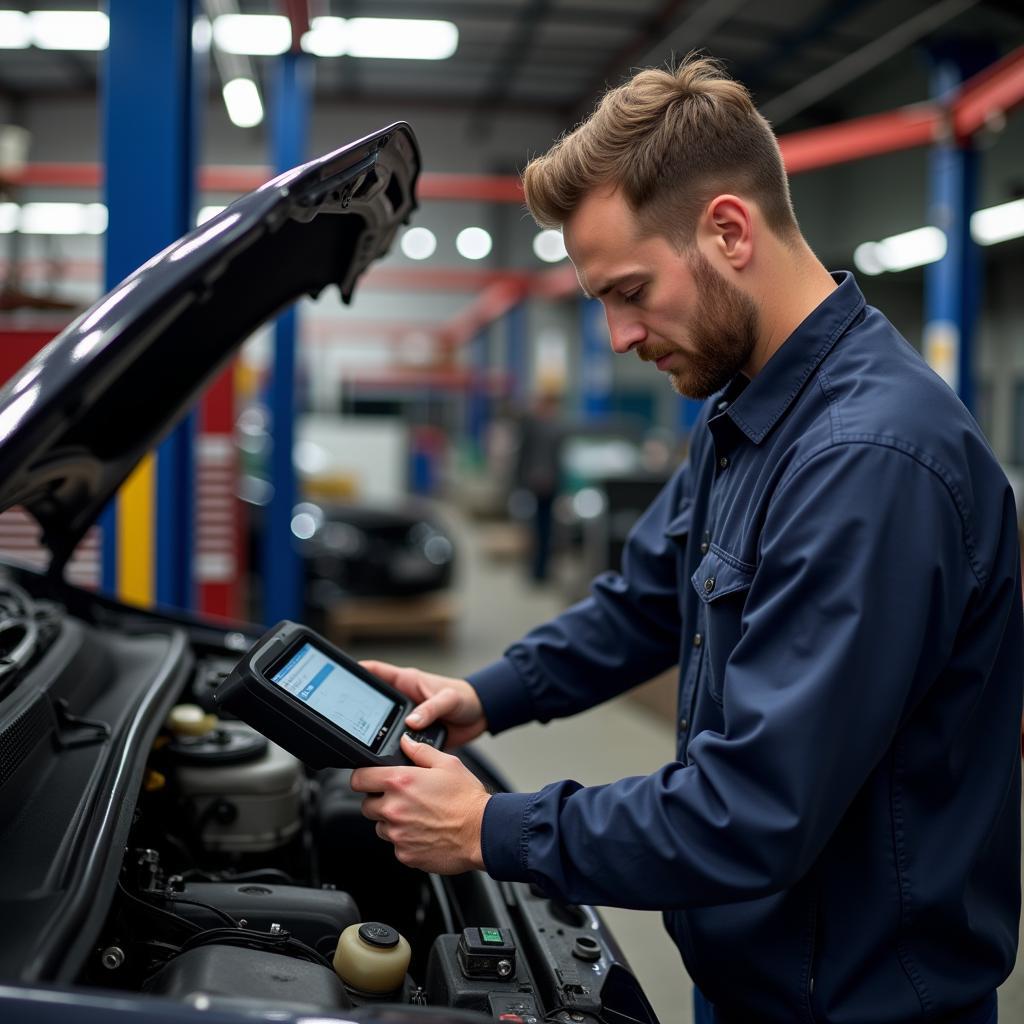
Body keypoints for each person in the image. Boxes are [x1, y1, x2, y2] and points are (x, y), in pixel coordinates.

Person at [350, 56, 1022, 1023]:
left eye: (630, 291)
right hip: (756, 973)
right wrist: (486, 695)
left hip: (857, 1002)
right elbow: (647, 599)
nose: (619, 337)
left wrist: (494, 828)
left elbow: (756, 810)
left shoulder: (870, 461)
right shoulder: (746, 410)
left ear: (728, 231)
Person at [511, 389, 565, 582]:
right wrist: (519, 483)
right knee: (534, 530)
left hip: (548, 487)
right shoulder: (533, 426)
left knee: (546, 530)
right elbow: (524, 455)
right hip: (535, 486)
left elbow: (558, 460)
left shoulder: (554, 428)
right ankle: (536, 570)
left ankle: (541, 570)